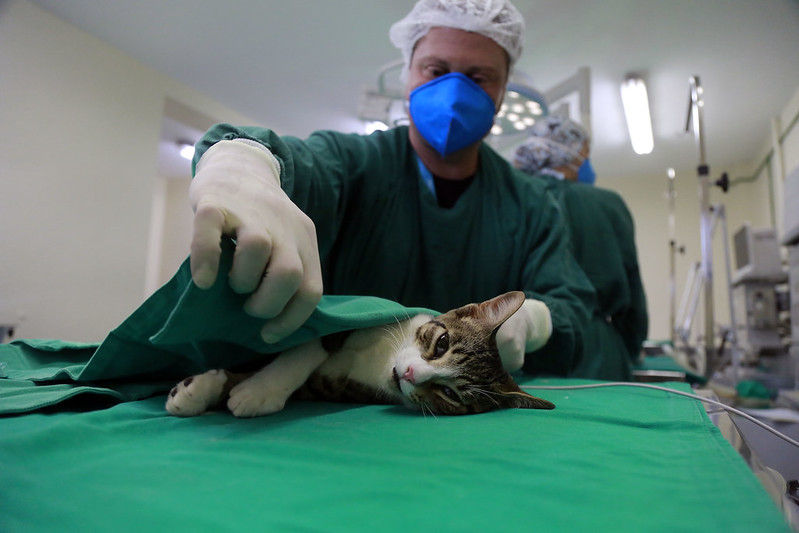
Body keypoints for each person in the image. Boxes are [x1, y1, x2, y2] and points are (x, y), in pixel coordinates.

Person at [187, 0, 596, 377]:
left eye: (478, 77)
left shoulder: (531, 204)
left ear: (502, 93)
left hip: (473, 419)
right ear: (408, 78)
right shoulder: (352, 164)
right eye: (436, 71)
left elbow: (573, 310)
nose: (454, 93)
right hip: (338, 412)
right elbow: (293, 162)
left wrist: (537, 321)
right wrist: (242, 160)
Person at [514, 116, 649, 380]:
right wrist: (630, 351)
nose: (587, 163)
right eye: (586, 154)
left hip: (524, 344)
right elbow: (632, 301)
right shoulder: (607, 204)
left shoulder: (518, 198)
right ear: (570, 154)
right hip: (597, 351)